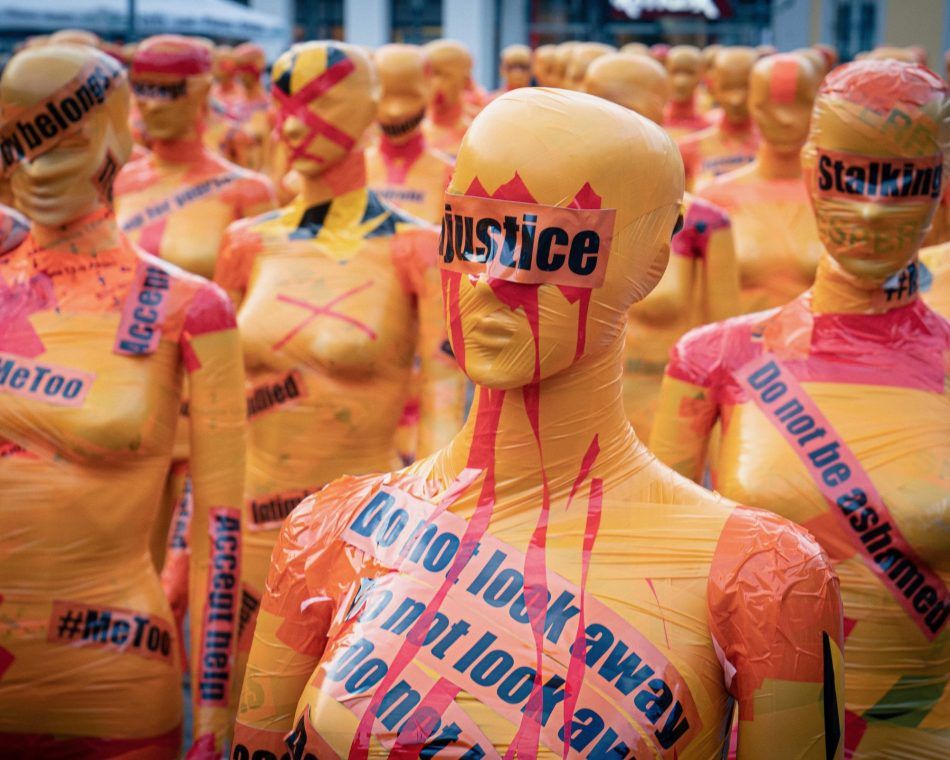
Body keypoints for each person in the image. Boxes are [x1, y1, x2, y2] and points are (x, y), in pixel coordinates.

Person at [233, 87, 843, 759]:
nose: (493, 277)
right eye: (472, 232)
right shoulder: (329, 534)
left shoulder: (762, 578)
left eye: (549, 245)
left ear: (648, 263)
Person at [651, 60, 949, 757]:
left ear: (940, 185)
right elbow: (661, 583)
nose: (873, 209)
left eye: (904, 181)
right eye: (849, 176)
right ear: (815, 172)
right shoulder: (713, 359)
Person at [0, 42, 246, 756]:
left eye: (65, 141)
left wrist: (216, 719)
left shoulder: (186, 307)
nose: (39, 166)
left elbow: (218, 527)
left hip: (111, 666)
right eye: (18, 141)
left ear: (117, 132)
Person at [213, 41, 461, 689]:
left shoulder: (416, 249)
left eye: (320, 104)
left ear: (369, 110)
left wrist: (426, 546)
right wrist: (192, 545)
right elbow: (212, 414)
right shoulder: (247, 243)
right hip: (253, 530)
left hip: (368, 537)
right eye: (284, 103)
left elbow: (443, 406)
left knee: (348, 719)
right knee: (250, 715)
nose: (295, 125)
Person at [113, 34, 276, 638]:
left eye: (167, 91)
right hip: (127, 407)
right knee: (129, 586)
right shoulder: (120, 182)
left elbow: (252, 311)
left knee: (199, 586)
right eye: (142, 91)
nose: (150, 106)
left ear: (200, 93)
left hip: (207, 413)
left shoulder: (246, 192)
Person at [584, 53, 739, 442]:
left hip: (666, 432)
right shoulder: (553, 214)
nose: (610, 127)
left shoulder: (702, 223)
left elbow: (727, 359)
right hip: (571, 435)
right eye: (596, 110)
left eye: (628, 111)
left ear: (659, 112)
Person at [698, 53, 822, 313]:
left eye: (801, 104)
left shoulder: (842, 199)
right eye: (768, 105)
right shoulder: (714, 199)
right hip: (739, 349)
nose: (784, 118)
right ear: (752, 105)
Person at [679, 47, 758, 191]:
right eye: (727, 87)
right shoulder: (687, 150)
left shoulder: (778, 151)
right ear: (713, 88)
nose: (736, 99)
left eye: (745, 87)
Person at [423, 40, 474, 158]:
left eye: (443, 75)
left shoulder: (476, 136)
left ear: (465, 81)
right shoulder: (411, 136)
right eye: (428, 75)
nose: (434, 84)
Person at [664, 45, 713, 139]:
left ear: (701, 75)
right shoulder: (653, 121)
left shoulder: (710, 124)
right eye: (675, 72)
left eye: (689, 73)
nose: (681, 82)